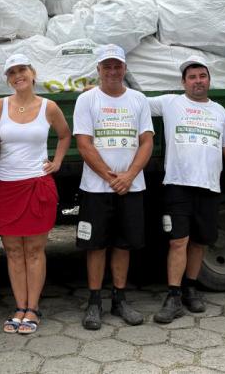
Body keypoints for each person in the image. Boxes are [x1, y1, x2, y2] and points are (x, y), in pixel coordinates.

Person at [146, 56, 225, 323]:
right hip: (177, 185)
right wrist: (96, 92)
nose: (198, 81)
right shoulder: (170, 103)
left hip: (209, 186)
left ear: (208, 80)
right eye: (192, 77)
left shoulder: (218, 112)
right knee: (178, 240)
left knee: (201, 241)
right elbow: (135, 102)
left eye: (202, 76)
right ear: (183, 82)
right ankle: (173, 296)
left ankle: (191, 289)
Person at [73, 44, 154, 330]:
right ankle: (94, 302)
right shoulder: (87, 100)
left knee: (123, 244)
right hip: (97, 188)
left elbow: (147, 141)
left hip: (131, 187)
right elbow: (84, 144)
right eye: (106, 66)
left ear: (125, 69)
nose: (112, 71)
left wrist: (129, 176)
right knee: (96, 246)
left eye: (117, 65)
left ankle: (119, 300)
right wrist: (112, 178)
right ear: (98, 70)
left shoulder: (138, 100)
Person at [0, 54, 72, 334]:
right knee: (13, 251)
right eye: (12, 72)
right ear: (8, 79)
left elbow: (64, 135)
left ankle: (33, 308)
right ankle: (19, 306)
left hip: (37, 185)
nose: (18, 76)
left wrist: (58, 161)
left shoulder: (49, 107)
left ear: (32, 73)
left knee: (35, 251)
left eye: (22, 69)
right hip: (6, 186)